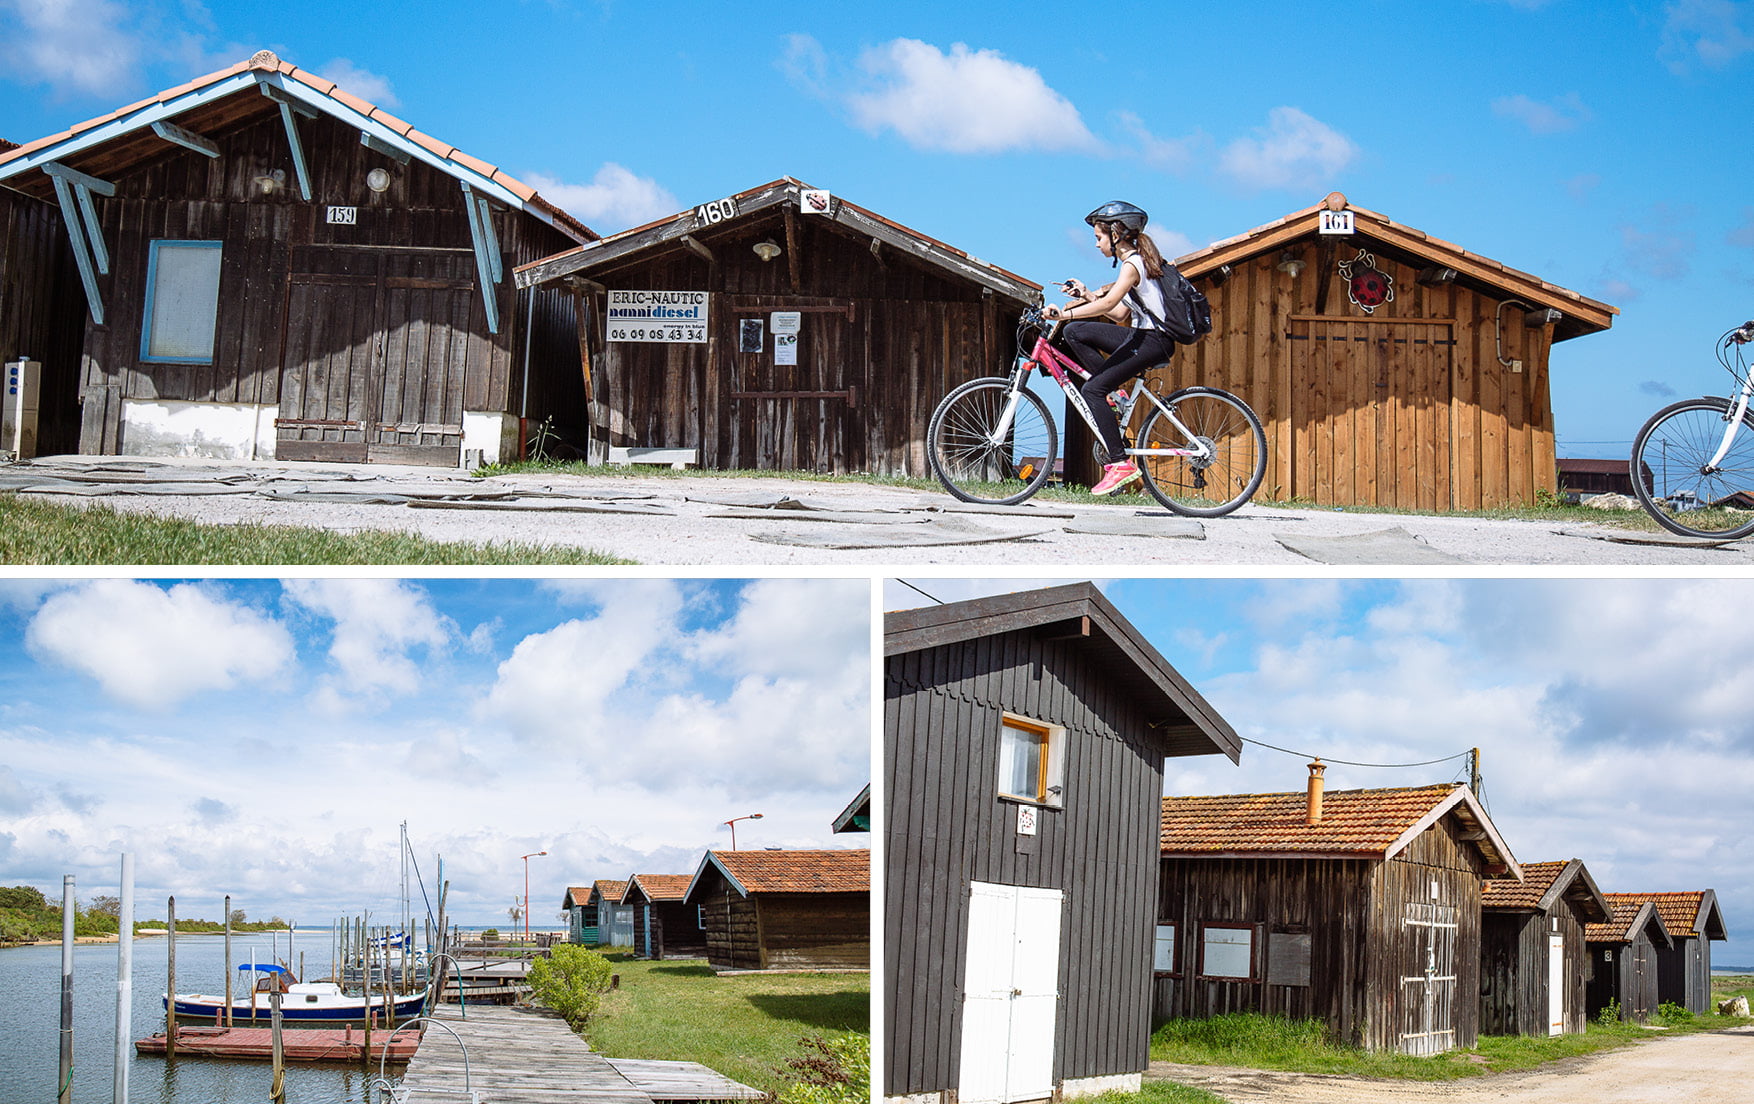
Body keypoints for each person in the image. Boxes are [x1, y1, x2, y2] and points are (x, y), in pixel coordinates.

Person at [1042, 200, 1175, 496]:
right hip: (1143, 336)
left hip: (1153, 341)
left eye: (1098, 237)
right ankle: (1114, 392)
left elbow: (1109, 304)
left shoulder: (1133, 263)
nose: (1097, 244)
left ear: (1116, 234)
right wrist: (1087, 294)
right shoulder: (1136, 263)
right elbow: (1119, 316)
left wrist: (1062, 314)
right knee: (1076, 332)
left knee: (1091, 391)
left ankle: (1119, 464)